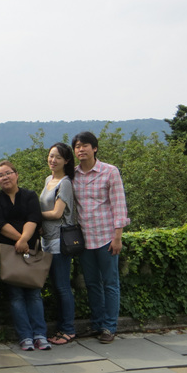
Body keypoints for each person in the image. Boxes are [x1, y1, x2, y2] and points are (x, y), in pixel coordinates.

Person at [72, 132, 130, 344]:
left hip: (106, 236)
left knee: (110, 283)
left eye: (85, 145)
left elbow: (119, 205)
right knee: (92, 283)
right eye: (77, 146)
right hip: (84, 239)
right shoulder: (73, 174)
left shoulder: (109, 171)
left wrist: (118, 237)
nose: (81, 149)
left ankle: (109, 327)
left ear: (94, 148)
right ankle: (97, 324)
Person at [0, 161, 51, 351]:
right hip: (9, 252)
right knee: (16, 295)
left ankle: (40, 334)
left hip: (32, 250)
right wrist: (20, 240)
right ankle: (25, 336)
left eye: (8, 173)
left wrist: (24, 240)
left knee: (34, 293)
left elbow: (34, 218)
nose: (5, 177)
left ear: (16, 174)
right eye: (1, 175)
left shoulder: (29, 195)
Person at [39, 143, 76, 345]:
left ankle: (68, 330)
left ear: (66, 161)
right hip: (47, 240)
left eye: (58, 157)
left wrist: (33, 215)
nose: (53, 160)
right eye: (51, 156)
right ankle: (61, 327)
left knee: (62, 287)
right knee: (55, 287)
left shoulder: (65, 183)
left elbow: (56, 213)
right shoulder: (49, 179)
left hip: (59, 241)